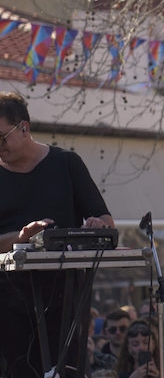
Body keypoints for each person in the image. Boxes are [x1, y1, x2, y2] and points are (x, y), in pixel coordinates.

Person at [0, 91, 116, 378]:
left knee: (66, 369)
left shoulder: (66, 164)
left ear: (24, 128)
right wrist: (21, 237)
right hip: (9, 301)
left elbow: (105, 220)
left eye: (1, 137)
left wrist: (97, 226)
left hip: (65, 298)